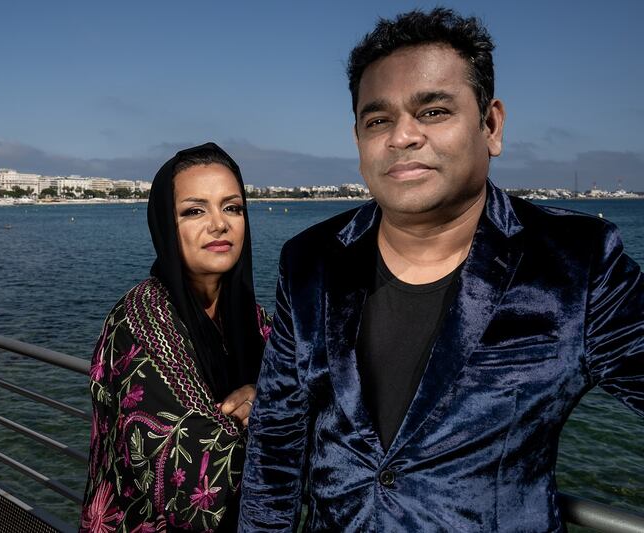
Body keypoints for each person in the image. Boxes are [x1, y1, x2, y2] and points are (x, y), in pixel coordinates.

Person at [239, 8, 643, 532]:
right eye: (378, 120)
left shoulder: (574, 262)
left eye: (432, 111)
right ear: (358, 140)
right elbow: (276, 444)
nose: (402, 137)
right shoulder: (310, 259)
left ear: (491, 125)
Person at [80, 142, 270, 532]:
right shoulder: (137, 324)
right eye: (194, 210)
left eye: (232, 207)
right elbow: (192, 487)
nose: (219, 223)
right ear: (166, 225)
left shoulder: (252, 317)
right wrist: (280, 410)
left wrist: (267, 400)